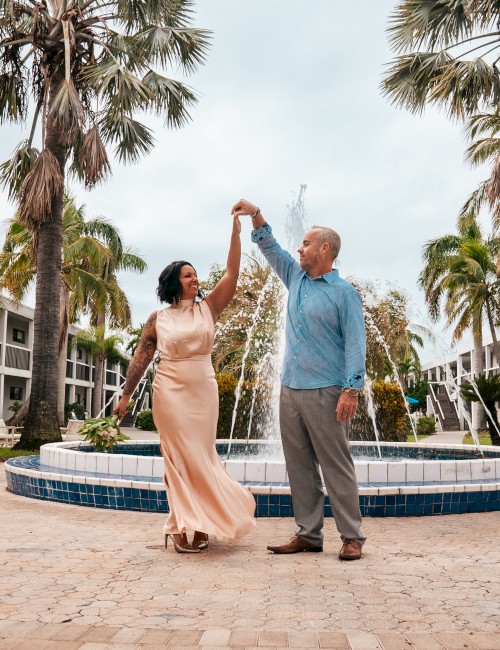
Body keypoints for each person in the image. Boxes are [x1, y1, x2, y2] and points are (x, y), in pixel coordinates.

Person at [231, 199, 366, 561]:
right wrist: (256, 214)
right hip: (290, 388)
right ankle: (308, 534)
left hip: (327, 390)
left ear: (325, 248)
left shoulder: (345, 293)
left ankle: (352, 536)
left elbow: (355, 344)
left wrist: (352, 389)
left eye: (305, 243)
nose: (299, 248)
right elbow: (270, 247)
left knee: (336, 465)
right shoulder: (295, 277)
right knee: (299, 467)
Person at [113, 214, 256, 553]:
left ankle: (203, 520)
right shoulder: (158, 319)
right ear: (174, 282)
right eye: (188, 275)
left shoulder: (209, 308)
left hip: (203, 390)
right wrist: (126, 396)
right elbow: (141, 358)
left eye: (195, 274)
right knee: (178, 459)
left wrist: (235, 234)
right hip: (170, 391)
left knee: (202, 457)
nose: (195, 279)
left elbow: (232, 274)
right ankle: (180, 524)